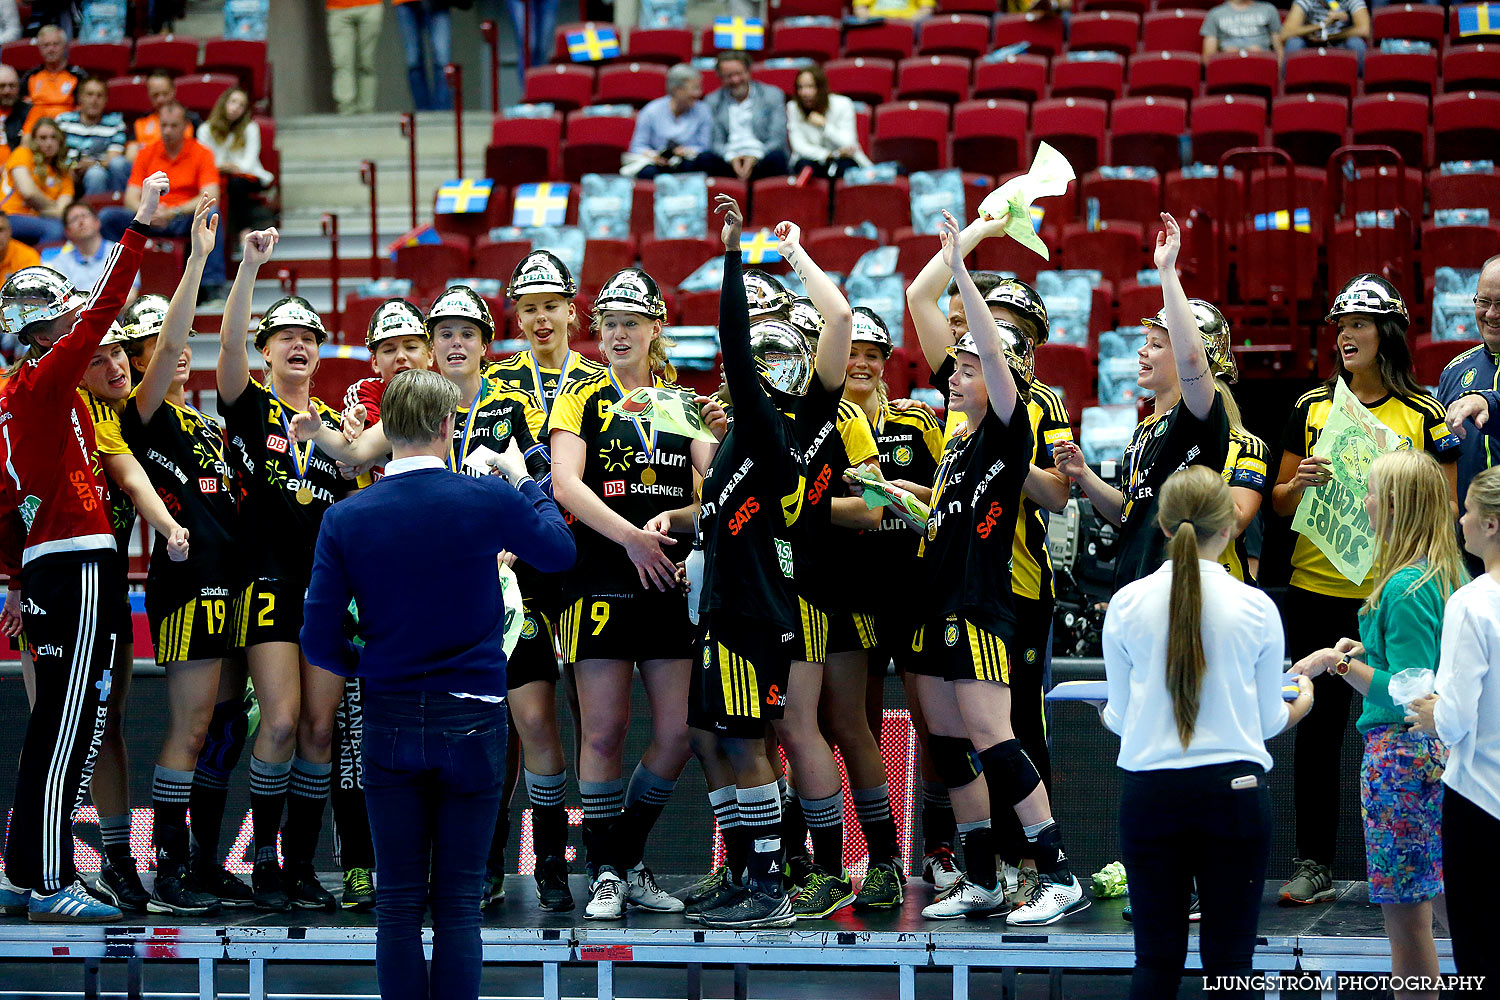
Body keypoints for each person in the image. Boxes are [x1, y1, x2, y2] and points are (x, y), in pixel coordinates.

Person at [301, 368, 576, 1000]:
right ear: (450, 427)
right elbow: (560, 553)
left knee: (397, 904)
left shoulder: (345, 518)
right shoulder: (484, 499)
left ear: (385, 431)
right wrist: (525, 477)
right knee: (457, 905)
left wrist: (368, 663)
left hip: (389, 715)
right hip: (475, 719)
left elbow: (319, 643)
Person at [908, 210, 1084, 926]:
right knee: (950, 743)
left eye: (970, 367)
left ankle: (1057, 870)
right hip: (938, 601)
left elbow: (988, 349)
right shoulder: (957, 441)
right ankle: (980, 874)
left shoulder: (1010, 430)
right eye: (955, 367)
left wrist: (960, 265)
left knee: (995, 737)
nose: (955, 373)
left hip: (983, 603)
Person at [0, 170, 167, 923]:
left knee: (54, 726)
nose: (81, 326)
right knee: (68, 726)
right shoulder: (43, 379)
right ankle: (48, 880)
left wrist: (11, 581)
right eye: (65, 319)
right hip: (77, 557)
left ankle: (20, 869)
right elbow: (107, 304)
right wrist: (138, 226)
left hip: (42, 566)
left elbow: (2, 508)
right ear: (47, 330)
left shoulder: (13, 399)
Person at [1268, 274, 1458, 907]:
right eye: (1340, 326)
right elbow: (1275, 500)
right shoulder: (1311, 406)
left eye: (1359, 324)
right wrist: (1300, 486)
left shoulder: (1425, 414)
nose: (1346, 335)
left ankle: (1430, 859)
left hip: (1397, 589)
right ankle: (1314, 861)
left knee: (1411, 718)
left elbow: (1446, 502)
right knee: (1317, 730)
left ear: (1388, 334)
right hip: (1317, 585)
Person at [548, 266, 722, 919]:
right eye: (609, 323)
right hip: (602, 571)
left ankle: (620, 855)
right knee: (604, 731)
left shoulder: (682, 401)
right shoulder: (581, 395)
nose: (618, 333)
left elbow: (718, 487)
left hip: (669, 575)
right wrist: (630, 539)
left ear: (657, 328)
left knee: (678, 733)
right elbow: (566, 484)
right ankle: (607, 875)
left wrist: (682, 523)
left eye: (631, 322)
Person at [1102, 466, 1314, 999]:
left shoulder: (1126, 604)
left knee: (1154, 961)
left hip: (1151, 794)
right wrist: (1303, 704)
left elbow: (1121, 719)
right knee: (1230, 967)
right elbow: (1269, 721)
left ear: (1165, 526)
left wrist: (1112, 717)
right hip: (1233, 796)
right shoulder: (1256, 606)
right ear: (1231, 527)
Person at [685, 195, 836, 930]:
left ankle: (771, 884)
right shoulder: (737, 444)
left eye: (772, 362)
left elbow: (733, 345)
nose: (754, 370)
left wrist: (733, 256)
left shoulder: (770, 428)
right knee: (714, 738)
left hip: (754, 613)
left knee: (748, 744)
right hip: (729, 608)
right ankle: (745, 868)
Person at [116, 197, 250, 915]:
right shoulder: (141, 415)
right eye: (156, 348)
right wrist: (197, 259)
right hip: (185, 588)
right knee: (192, 727)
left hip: (232, 588)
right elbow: (168, 346)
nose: (176, 350)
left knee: (226, 731)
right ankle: (165, 870)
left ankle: (201, 862)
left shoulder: (203, 423)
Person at [1294, 449, 1463, 1000]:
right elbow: (1417, 661)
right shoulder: (1437, 577)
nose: (1363, 501)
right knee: (1438, 903)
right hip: (1427, 758)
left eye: (1371, 491)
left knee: (1406, 916)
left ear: (1396, 505)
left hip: (1402, 760)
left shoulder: (1405, 586)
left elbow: (1408, 693)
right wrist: (1365, 650)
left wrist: (1338, 664)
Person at [218, 233, 353, 912]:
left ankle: (302, 866)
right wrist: (247, 268)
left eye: (309, 336)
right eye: (284, 335)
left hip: (325, 596)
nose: (298, 343)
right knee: (278, 721)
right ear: (266, 351)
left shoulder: (333, 429)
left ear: (320, 351)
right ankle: (264, 860)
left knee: (319, 732)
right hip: (266, 583)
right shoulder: (248, 407)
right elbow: (226, 353)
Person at [485, 252, 604, 906]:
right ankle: (516, 860)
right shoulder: (495, 384)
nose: (539, 318)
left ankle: (610, 859)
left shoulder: (599, 378)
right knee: (523, 719)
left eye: (550, 306)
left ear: (571, 309)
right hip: (519, 562)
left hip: (590, 561)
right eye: (528, 307)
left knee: (597, 719)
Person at [1056, 214, 1231, 590]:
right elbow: (1127, 514)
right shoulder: (1143, 431)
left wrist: (1167, 271)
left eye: (1156, 345)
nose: (1142, 352)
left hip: (1180, 589)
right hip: (1132, 586)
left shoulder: (1199, 414)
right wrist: (1083, 474)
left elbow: (1192, 360)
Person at [1407, 465, 1500, 987]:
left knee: (1483, 961)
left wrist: (1429, 712)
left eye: (1467, 510)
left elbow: (1455, 719)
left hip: (1482, 803)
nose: (1459, 519)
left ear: (1491, 525)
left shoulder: (1472, 603)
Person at [102, 102, 227, 303]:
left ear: (186, 126)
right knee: (107, 217)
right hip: (148, 217)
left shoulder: (202, 153)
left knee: (211, 214)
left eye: (173, 126)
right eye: (164, 125)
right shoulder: (146, 153)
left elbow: (210, 196)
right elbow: (130, 198)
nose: (167, 131)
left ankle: (211, 287)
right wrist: (148, 212)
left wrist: (174, 211)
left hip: (182, 218)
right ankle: (113, 278)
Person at [1438, 253, 1500, 575]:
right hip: (1466, 551)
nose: (1491, 314)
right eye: (1484, 301)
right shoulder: (1455, 371)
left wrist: (1490, 402)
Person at [701, 51, 790, 182]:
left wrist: (754, 156)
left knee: (778, 157)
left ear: (748, 72)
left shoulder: (772, 95)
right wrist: (731, 157)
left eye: (739, 74)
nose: (735, 80)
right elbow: (715, 142)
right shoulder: (712, 101)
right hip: (728, 158)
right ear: (720, 77)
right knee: (705, 159)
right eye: (728, 76)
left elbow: (777, 138)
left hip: (762, 155)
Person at [198, 87, 275, 237]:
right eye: (233, 102)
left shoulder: (250, 128)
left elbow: (250, 162)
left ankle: (243, 232)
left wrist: (234, 168)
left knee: (236, 184)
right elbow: (204, 161)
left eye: (241, 105)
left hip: (247, 175)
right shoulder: (205, 129)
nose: (235, 108)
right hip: (216, 175)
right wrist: (221, 167)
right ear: (223, 103)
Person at [627, 63, 713, 180]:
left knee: (703, 161)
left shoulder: (703, 111)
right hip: (657, 163)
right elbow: (637, 146)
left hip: (688, 163)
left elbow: (705, 146)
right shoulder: (651, 111)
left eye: (699, 88)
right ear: (676, 90)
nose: (698, 94)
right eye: (694, 89)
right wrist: (654, 156)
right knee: (647, 172)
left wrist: (687, 151)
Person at [787, 65, 871, 181]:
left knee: (846, 166)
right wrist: (830, 154)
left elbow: (849, 143)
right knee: (805, 166)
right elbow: (799, 147)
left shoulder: (843, 104)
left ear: (821, 88)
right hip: (812, 159)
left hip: (844, 160)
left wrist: (824, 126)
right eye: (800, 87)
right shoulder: (793, 108)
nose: (804, 93)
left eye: (810, 87)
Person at [2, 116, 73, 246]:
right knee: (56, 229)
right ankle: (36, 265)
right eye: (43, 138)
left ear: (60, 141)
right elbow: (28, 192)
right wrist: (52, 208)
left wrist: (45, 209)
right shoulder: (22, 154)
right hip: (9, 216)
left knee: (64, 228)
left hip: (38, 219)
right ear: (34, 140)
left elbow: (63, 211)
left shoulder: (64, 173)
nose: (49, 143)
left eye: (53, 137)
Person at [51, 202, 140, 302]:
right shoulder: (61, 262)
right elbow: (64, 302)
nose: (81, 222)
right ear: (67, 232)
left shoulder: (121, 253)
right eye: (74, 219)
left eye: (84, 216)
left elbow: (130, 296)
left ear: (97, 222)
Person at [55, 77, 129, 195]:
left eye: (99, 96)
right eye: (89, 94)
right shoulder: (63, 121)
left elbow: (113, 158)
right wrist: (69, 167)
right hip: (66, 170)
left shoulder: (115, 124)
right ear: (80, 98)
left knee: (96, 174)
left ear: (106, 100)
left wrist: (93, 165)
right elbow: (54, 154)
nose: (94, 100)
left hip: (100, 172)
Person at [19, 25, 82, 131]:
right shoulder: (30, 76)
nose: (51, 49)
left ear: (65, 46)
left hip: (66, 130)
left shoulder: (77, 76)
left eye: (55, 44)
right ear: (39, 48)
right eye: (46, 45)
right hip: (34, 131)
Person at [326, 0, 383, 116]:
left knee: (367, 63)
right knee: (342, 62)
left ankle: (367, 110)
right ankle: (346, 110)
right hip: (338, 9)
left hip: (370, 6)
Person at [393, 0, 452, 111]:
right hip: (405, 3)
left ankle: (443, 112)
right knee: (413, 61)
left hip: (439, 4)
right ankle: (423, 112)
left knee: (442, 60)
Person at [1280, 0, 1370, 69]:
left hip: (1340, 41)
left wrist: (1330, 37)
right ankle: (1290, 86)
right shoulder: (1306, 1)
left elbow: (1364, 30)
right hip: (1311, 42)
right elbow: (1286, 33)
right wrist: (1321, 25)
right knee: (1293, 43)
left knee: (1357, 44)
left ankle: (1359, 85)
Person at [127, 71, 196, 157]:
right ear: (148, 94)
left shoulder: (191, 120)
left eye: (165, 94)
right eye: (155, 95)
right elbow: (131, 154)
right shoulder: (140, 121)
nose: (160, 99)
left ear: (173, 91)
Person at [1201, 0, 1285, 60]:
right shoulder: (1215, 13)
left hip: (1261, 63)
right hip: (1228, 64)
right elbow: (1208, 57)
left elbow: (1279, 51)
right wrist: (1226, 56)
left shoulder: (1269, 10)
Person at [0, 64, 29, 152]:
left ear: (19, 87)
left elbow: (26, 145)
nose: (7, 91)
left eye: (12, 86)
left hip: (16, 162)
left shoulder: (29, 112)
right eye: (2, 86)